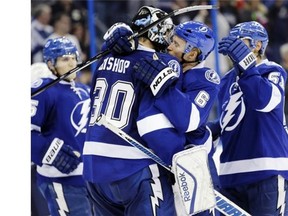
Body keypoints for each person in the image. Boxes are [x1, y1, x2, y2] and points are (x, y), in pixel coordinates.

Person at [82, 6, 181, 215]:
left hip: (93, 166)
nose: (171, 42)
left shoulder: (105, 59)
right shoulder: (165, 63)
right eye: (169, 34)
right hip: (134, 164)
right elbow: (159, 120)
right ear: (159, 33)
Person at [209, 21, 288, 215]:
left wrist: (246, 65)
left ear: (257, 45)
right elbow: (229, 121)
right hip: (230, 174)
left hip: (267, 169)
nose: (234, 47)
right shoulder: (227, 79)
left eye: (240, 42)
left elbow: (263, 100)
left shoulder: (272, 70)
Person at [31, 37, 93, 216]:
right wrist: (47, 150)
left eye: (74, 57)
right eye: (65, 59)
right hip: (60, 178)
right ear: (51, 63)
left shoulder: (83, 90)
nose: (72, 63)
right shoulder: (42, 90)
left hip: (88, 177)